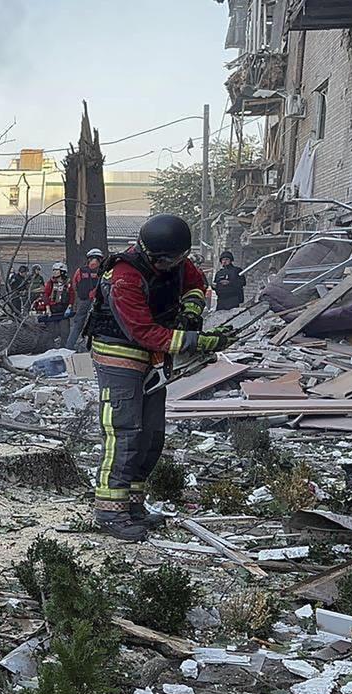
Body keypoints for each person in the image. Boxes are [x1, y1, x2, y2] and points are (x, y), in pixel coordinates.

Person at [86, 214, 232, 541]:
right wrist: (198, 342)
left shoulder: (177, 262)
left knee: (151, 433)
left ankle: (132, 504)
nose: (177, 264)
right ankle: (110, 510)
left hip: (152, 356)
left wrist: (192, 311)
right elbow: (144, 332)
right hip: (119, 354)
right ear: (154, 255)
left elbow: (196, 283)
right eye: (172, 260)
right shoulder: (123, 277)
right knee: (124, 431)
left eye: (181, 258)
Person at [65, 248, 105, 350]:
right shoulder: (104, 272)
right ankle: (92, 348)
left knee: (78, 324)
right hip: (99, 302)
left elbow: (75, 285)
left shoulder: (80, 271)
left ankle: (69, 347)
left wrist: (78, 299)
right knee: (98, 324)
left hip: (83, 301)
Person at [40, 262, 73, 342]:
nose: (54, 272)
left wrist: (69, 307)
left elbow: (72, 295)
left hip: (63, 310)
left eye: (56, 270)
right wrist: (48, 308)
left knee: (65, 332)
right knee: (52, 332)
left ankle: (64, 348)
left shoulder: (68, 283)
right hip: (52, 310)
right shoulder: (50, 283)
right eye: (53, 270)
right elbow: (46, 295)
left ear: (62, 271)